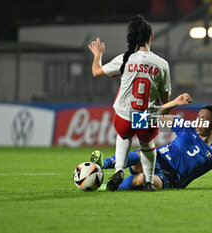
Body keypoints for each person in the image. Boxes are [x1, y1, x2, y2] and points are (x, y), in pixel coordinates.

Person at [91, 94, 212, 190]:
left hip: (170, 178)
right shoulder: (186, 126)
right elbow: (158, 116)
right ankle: (103, 164)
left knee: (141, 179)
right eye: (198, 117)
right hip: (157, 158)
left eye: (204, 119)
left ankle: (103, 186)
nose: (199, 121)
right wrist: (175, 102)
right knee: (143, 157)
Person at [88, 15, 171, 191]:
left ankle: (119, 169)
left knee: (124, 136)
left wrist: (98, 54)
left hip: (125, 114)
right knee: (147, 145)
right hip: (144, 115)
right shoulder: (162, 64)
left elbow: (96, 71)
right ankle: (149, 181)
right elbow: (165, 99)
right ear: (151, 37)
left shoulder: (125, 59)